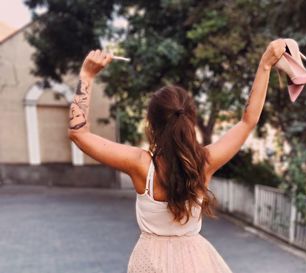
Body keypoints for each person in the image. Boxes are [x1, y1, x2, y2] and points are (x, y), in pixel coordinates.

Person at [68, 39, 286, 273]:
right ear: (190, 121)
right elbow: (248, 120)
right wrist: (265, 65)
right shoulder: (205, 162)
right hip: (196, 261)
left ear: (151, 125)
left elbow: (78, 134)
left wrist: (87, 76)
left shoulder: (140, 165)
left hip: (149, 262)